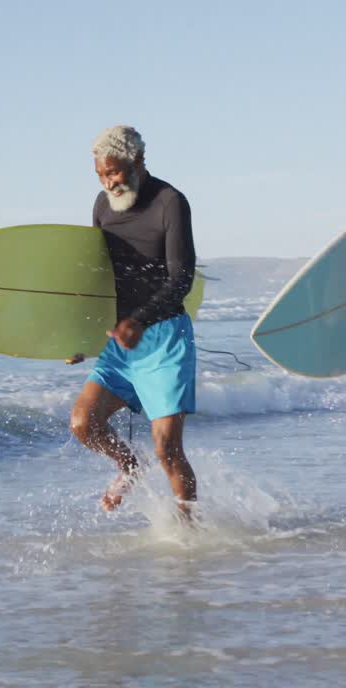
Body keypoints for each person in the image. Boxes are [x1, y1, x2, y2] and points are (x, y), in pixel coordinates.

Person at [66, 125, 199, 517]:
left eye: (115, 172)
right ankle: (129, 466)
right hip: (121, 340)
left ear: (138, 160)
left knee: (167, 449)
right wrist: (78, 336)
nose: (109, 182)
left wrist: (140, 320)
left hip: (164, 338)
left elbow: (181, 280)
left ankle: (188, 529)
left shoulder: (169, 202)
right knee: (83, 423)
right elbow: (97, 277)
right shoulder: (102, 206)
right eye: (102, 175)